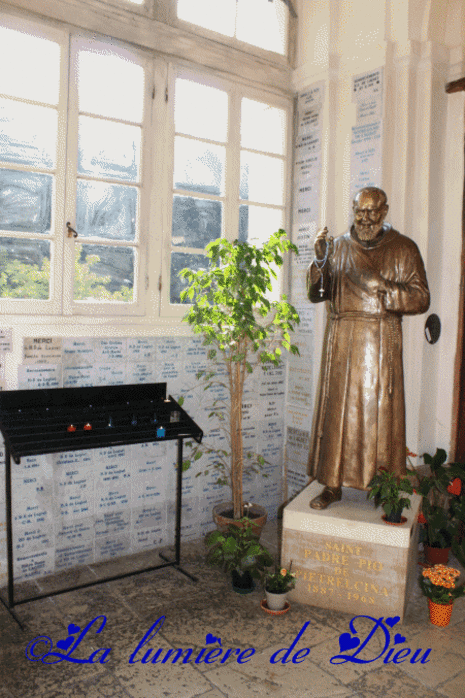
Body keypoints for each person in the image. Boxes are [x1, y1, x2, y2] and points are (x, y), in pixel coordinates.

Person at [307, 187, 430, 509]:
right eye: (359, 211)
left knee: (381, 415)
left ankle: (383, 485)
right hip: (343, 337)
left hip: (380, 338)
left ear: (385, 211)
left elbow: (420, 298)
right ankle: (332, 484)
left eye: (372, 212)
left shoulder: (403, 248)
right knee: (337, 415)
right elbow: (318, 294)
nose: (365, 218)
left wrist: (383, 288)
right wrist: (320, 259)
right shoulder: (338, 248)